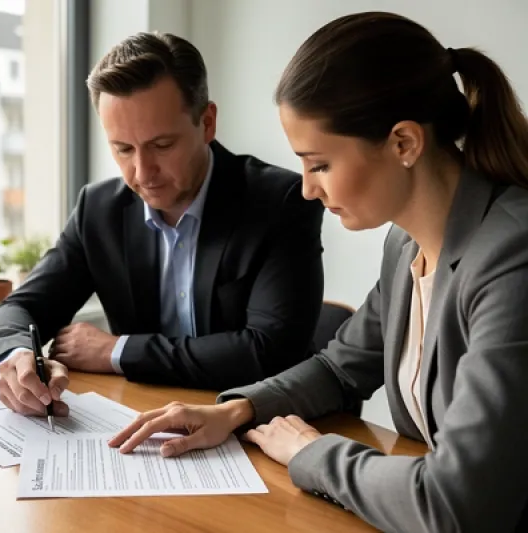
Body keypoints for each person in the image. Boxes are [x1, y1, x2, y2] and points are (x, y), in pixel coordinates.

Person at [109, 11, 528, 533]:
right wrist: (237, 410)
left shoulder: (511, 257)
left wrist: (312, 453)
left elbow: (456, 503)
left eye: (321, 164)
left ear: (404, 143)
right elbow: (339, 368)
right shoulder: (406, 245)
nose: (308, 189)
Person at [0, 31, 325, 417]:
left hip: (258, 423)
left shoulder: (281, 201)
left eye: (162, 145)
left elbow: (269, 353)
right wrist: (16, 356)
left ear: (207, 123)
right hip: (143, 419)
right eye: (123, 149)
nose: (142, 172)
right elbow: (21, 307)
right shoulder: (99, 209)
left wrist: (117, 351)